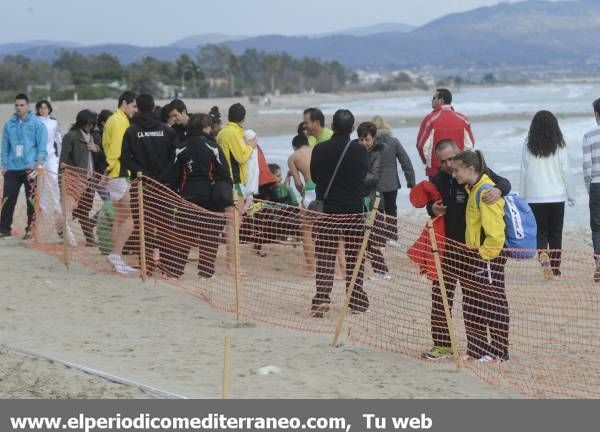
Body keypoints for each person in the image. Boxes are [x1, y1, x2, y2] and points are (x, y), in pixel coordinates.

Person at [422, 139, 511, 361]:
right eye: (443, 162)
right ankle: (446, 346)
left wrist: (499, 190)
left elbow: (502, 183)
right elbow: (427, 201)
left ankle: (495, 350)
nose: (449, 165)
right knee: (442, 296)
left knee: (483, 300)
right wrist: (431, 208)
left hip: (477, 253)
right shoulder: (440, 178)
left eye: (452, 159)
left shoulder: (478, 177)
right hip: (449, 248)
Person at [310, 109, 369, 317]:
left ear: (332, 126)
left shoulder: (319, 149)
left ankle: (322, 298)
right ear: (352, 129)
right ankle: (355, 299)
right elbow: (363, 176)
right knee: (355, 256)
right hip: (354, 210)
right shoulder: (360, 151)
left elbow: (315, 177)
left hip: (328, 209)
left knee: (325, 255)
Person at [452, 149, 509, 363]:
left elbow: (495, 233)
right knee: (474, 303)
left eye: (457, 170)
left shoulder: (486, 191)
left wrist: (483, 256)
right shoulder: (472, 188)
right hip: (475, 255)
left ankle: (500, 352)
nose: (454, 174)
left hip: (487, 257)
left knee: (492, 303)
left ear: (470, 169)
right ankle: (479, 349)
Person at [120, 93, 180, 275]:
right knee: (165, 225)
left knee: (143, 226)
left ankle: (146, 265)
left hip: (141, 185)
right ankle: (168, 266)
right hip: (165, 186)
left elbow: (125, 159)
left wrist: (144, 175)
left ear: (138, 107)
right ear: (154, 107)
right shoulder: (167, 130)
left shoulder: (131, 131)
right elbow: (175, 158)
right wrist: (162, 178)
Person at [171, 113, 232, 278]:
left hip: (187, 197)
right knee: (209, 236)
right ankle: (205, 273)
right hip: (210, 198)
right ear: (205, 128)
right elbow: (225, 173)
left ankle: (175, 271)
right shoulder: (212, 146)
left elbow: (173, 175)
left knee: (183, 236)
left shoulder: (181, 147)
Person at [520, 110, 575, 278]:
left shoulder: (528, 143)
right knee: (556, 232)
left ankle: (544, 261)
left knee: (540, 232)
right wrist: (571, 194)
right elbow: (566, 171)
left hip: (535, 196)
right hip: (556, 196)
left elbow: (524, 170)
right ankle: (556, 268)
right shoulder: (560, 144)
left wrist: (522, 196)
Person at [0, 93, 47, 239]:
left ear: (28, 106)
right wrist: (3, 165)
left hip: (30, 169)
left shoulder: (37, 124)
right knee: (7, 200)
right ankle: (4, 229)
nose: (19, 108)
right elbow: (4, 147)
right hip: (12, 169)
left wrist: (38, 165)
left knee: (31, 201)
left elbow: (42, 147)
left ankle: (30, 230)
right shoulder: (9, 124)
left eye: (22, 105)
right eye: (17, 105)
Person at [217, 103, 256, 273]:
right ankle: (232, 266)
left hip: (224, 181)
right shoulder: (233, 133)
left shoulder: (222, 132)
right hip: (234, 183)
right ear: (243, 118)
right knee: (234, 225)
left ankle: (231, 264)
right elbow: (241, 157)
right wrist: (251, 147)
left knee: (231, 223)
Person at [102, 90, 137, 274]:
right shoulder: (118, 121)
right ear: (125, 103)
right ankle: (115, 254)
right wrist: (108, 169)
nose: (135, 109)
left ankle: (117, 258)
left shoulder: (116, 119)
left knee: (121, 218)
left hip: (116, 173)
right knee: (132, 218)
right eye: (133, 105)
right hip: (118, 173)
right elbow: (115, 148)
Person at [59, 109, 100, 246]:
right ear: (80, 122)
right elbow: (63, 162)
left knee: (85, 209)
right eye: (87, 123)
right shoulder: (70, 136)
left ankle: (88, 239)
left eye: (92, 124)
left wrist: (96, 149)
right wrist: (65, 179)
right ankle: (63, 229)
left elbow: (96, 155)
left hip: (90, 179)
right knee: (72, 209)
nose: (90, 126)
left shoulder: (92, 137)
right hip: (74, 179)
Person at [371, 115, 415, 242]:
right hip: (391, 183)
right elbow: (406, 161)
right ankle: (392, 236)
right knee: (391, 209)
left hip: (374, 184)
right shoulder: (393, 142)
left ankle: (379, 238)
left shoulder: (369, 143)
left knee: (377, 210)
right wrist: (411, 182)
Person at [417, 88, 475, 177]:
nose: (431, 100)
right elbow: (469, 146)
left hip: (436, 169)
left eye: (433, 98)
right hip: (458, 169)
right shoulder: (463, 119)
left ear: (441, 100)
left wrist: (428, 163)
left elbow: (421, 146)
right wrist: (463, 165)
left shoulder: (430, 119)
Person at [357, 121, 389, 279]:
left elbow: (374, 177)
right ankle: (364, 270)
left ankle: (381, 270)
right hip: (357, 198)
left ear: (373, 139)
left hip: (372, 199)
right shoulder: (354, 151)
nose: (363, 143)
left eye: (366, 139)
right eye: (360, 139)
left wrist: (353, 177)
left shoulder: (378, 154)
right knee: (361, 237)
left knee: (373, 237)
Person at [287, 134, 316, 275]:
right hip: (325, 189)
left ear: (294, 147)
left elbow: (298, 183)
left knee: (306, 230)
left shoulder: (293, 157)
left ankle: (311, 268)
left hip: (309, 189)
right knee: (330, 229)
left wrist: (303, 193)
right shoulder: (318, 150)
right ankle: (337, 268)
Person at [35, 100, 63, 232]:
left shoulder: (54, 122)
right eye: (40, 108)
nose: (42, 110)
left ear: (49, 109)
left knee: (54, 181)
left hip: (52, 156)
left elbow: (59, 137)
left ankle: (57, 207)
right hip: (39, 157)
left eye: (45, 107)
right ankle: (42, 208)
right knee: (41, 183)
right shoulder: (33, 121)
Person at [583, 98, 600, 282]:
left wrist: (590, 188)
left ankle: (599, 262)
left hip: (596, 184)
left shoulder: (589, 136)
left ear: (596, 114)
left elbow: (587, 167)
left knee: (597, 227)